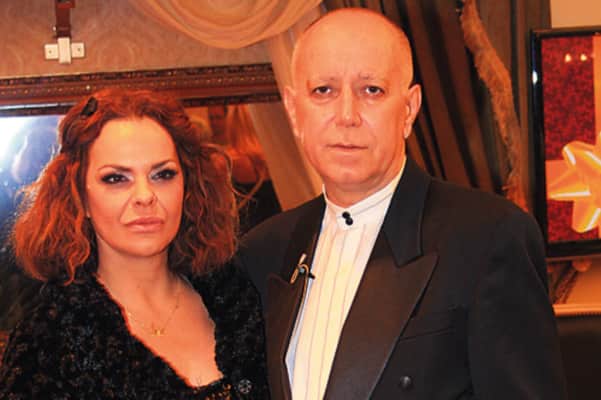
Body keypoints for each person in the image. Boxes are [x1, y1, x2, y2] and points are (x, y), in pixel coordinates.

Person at [238, 8, 567, 400]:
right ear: (294, 112)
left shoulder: (489, 237)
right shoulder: (263, 252)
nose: (347, 115)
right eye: (323, 91)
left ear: (409, 109)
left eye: (371, 90)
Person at [0, 88, 268, 399]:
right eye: (116, 178)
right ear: (80, 196)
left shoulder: (241, 297)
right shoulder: (49, 342)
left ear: (187, 185)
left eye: (163, 174)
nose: (144, 196)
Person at [208, 105, 281, 234]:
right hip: (278, 228)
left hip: (245, 234)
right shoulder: (276, 158)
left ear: (231, 124)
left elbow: (217, 209)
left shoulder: (224, 162)